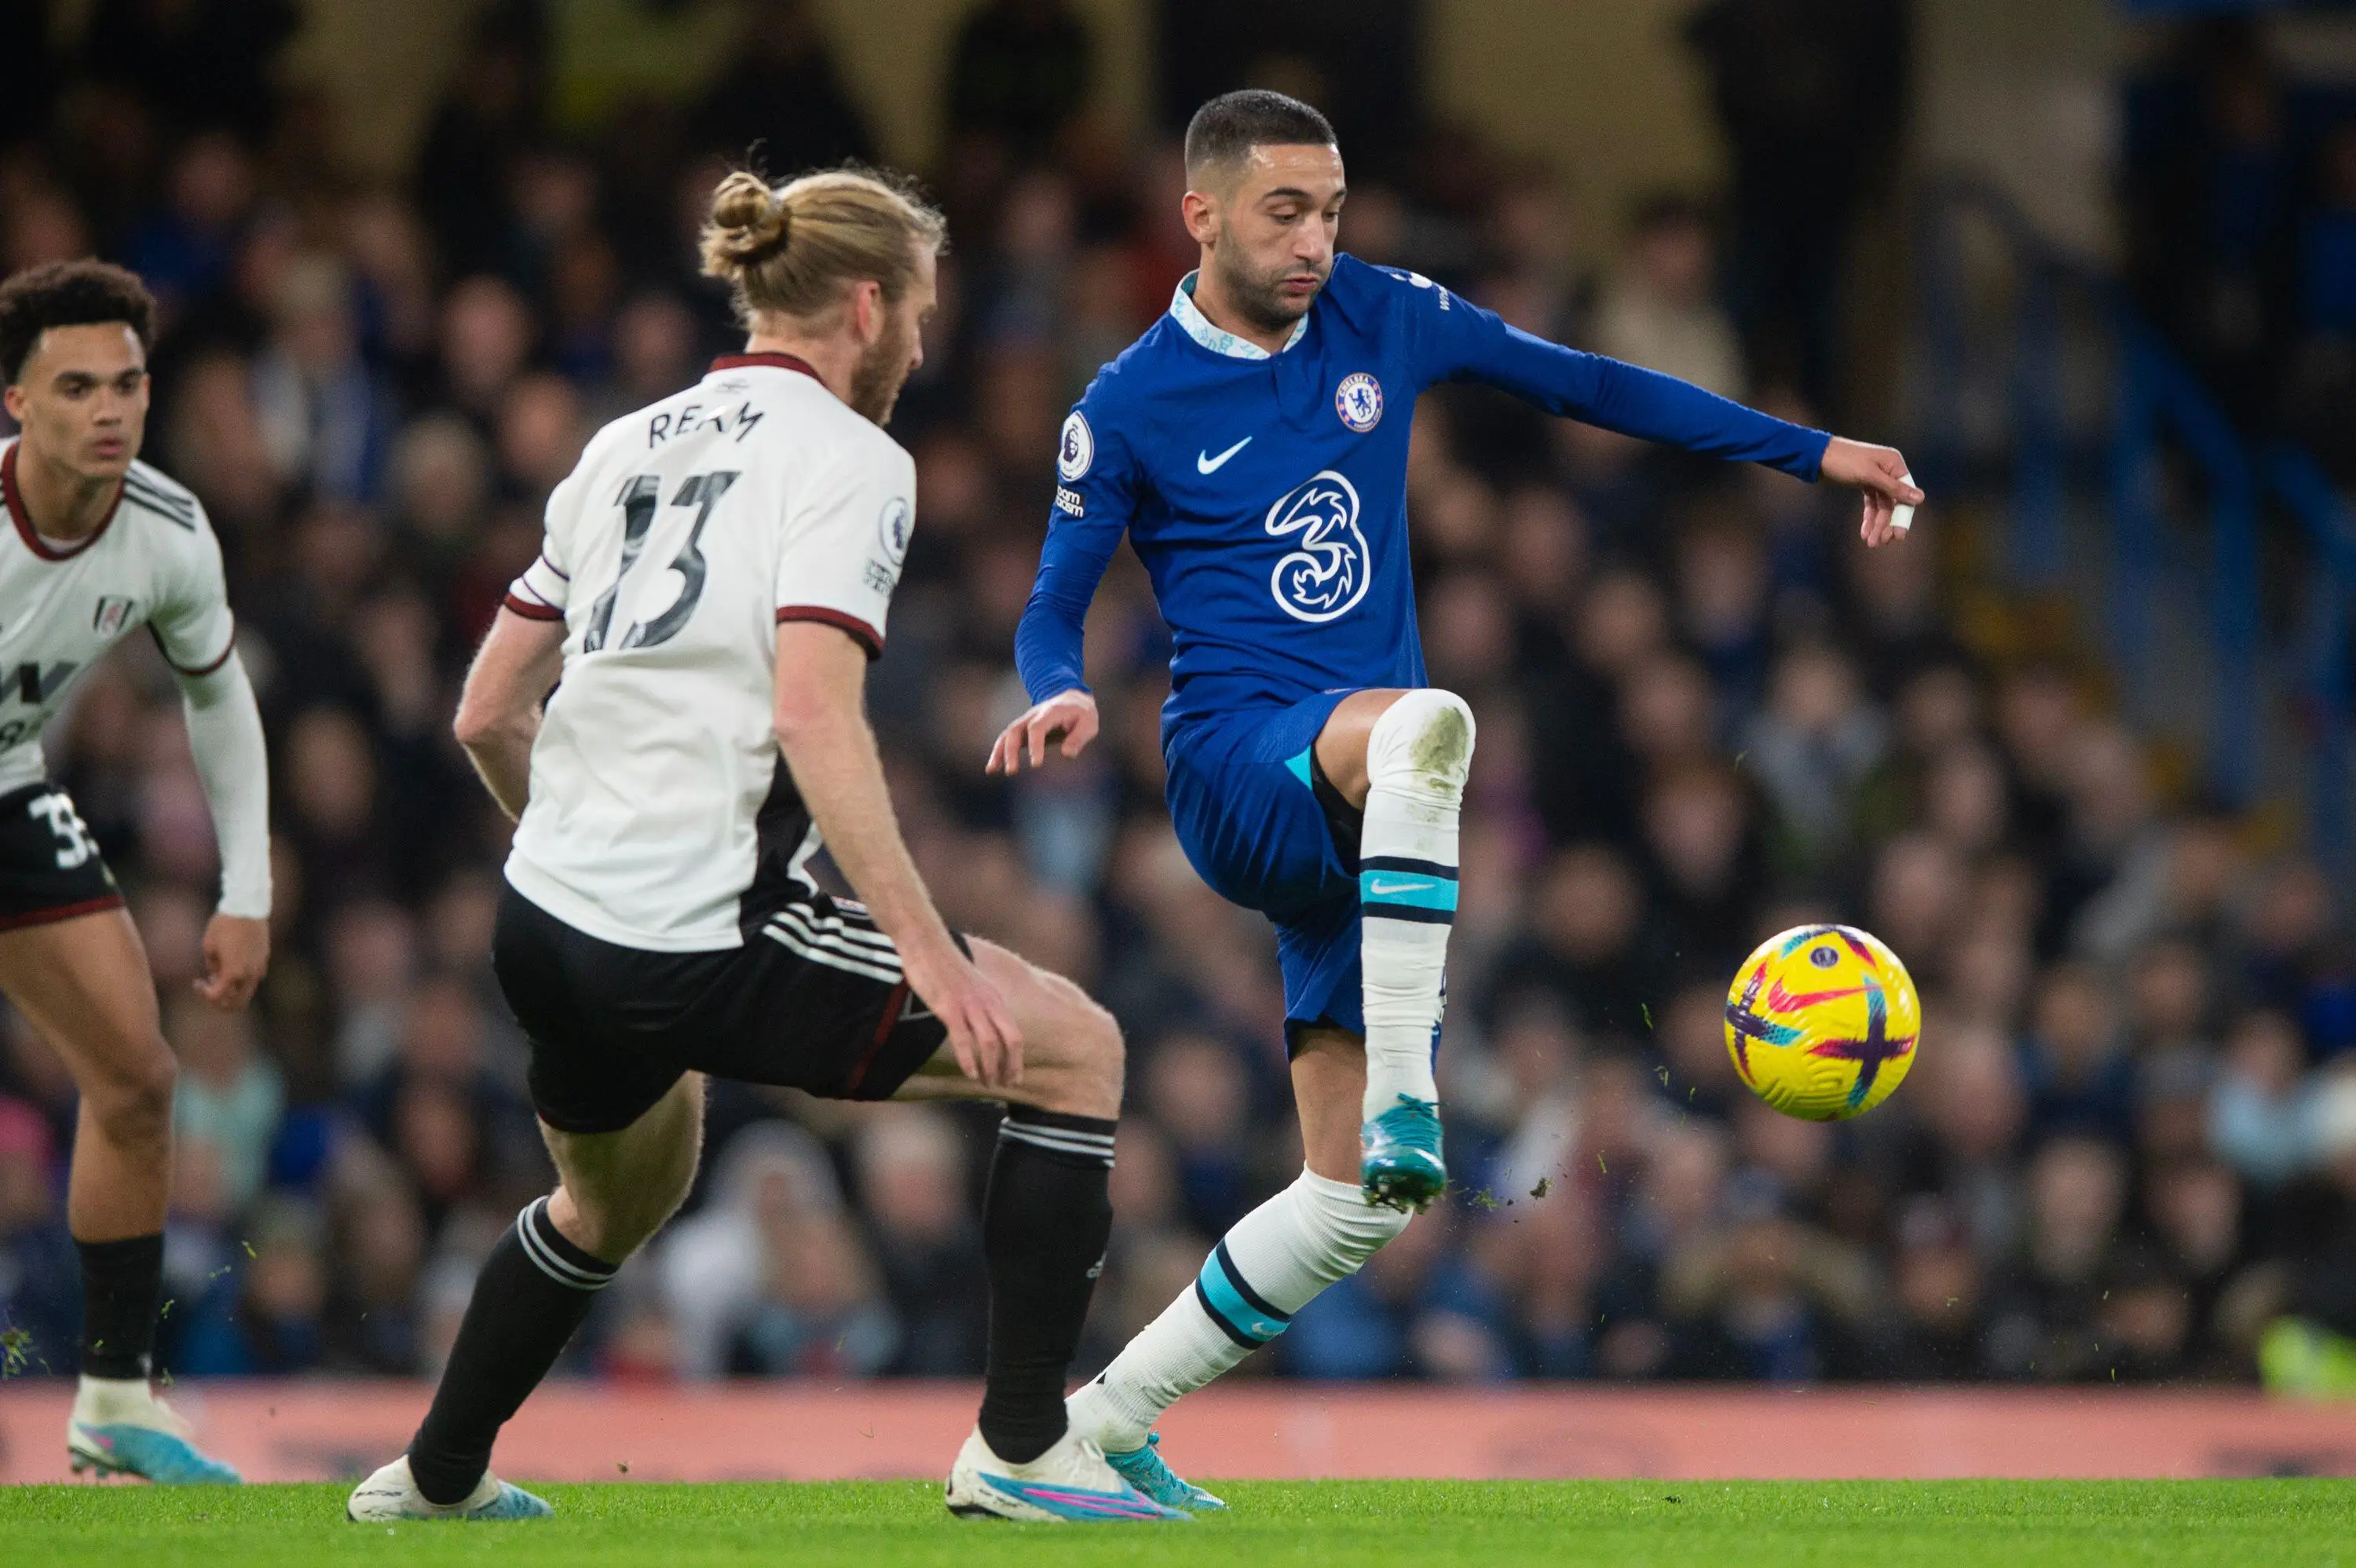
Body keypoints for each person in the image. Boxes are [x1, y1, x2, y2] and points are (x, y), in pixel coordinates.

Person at [989, 90, 1919, 1509]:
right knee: (1433, 725)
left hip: (1363, 817)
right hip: (1241, 769)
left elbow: (1592, 383)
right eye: (1283, 212)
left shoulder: (1382, 313)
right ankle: (1420, 1088)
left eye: (1333, 211)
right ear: (1202, 214)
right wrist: (1054, 684)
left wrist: (1813, 452)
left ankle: (1096, 1427)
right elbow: (1051, 604)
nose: (1315, 242)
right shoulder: (1124, 402)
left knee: (1350, 1199)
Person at [345, 167, 1180, 1526]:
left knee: (616, 1199)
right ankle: (1025, 1453)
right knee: (1074, 1046)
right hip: (692, 932)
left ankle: (432, 1481)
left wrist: (583, 850)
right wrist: (935, 959)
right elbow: (812, 714)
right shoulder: (854, 459)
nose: (922, 340)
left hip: (542, 922)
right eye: (916, 309)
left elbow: (487, 708)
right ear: (866, 303)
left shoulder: (626, 441)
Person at [0, 259, 272, 1483]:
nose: (108, 409)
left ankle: (112, 1406)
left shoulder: (167, 531)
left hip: (6, 785)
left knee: (137, 1075)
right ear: (16, 402)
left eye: (127, 383)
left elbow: (220, 701)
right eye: (75, 386)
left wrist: (247, 889)